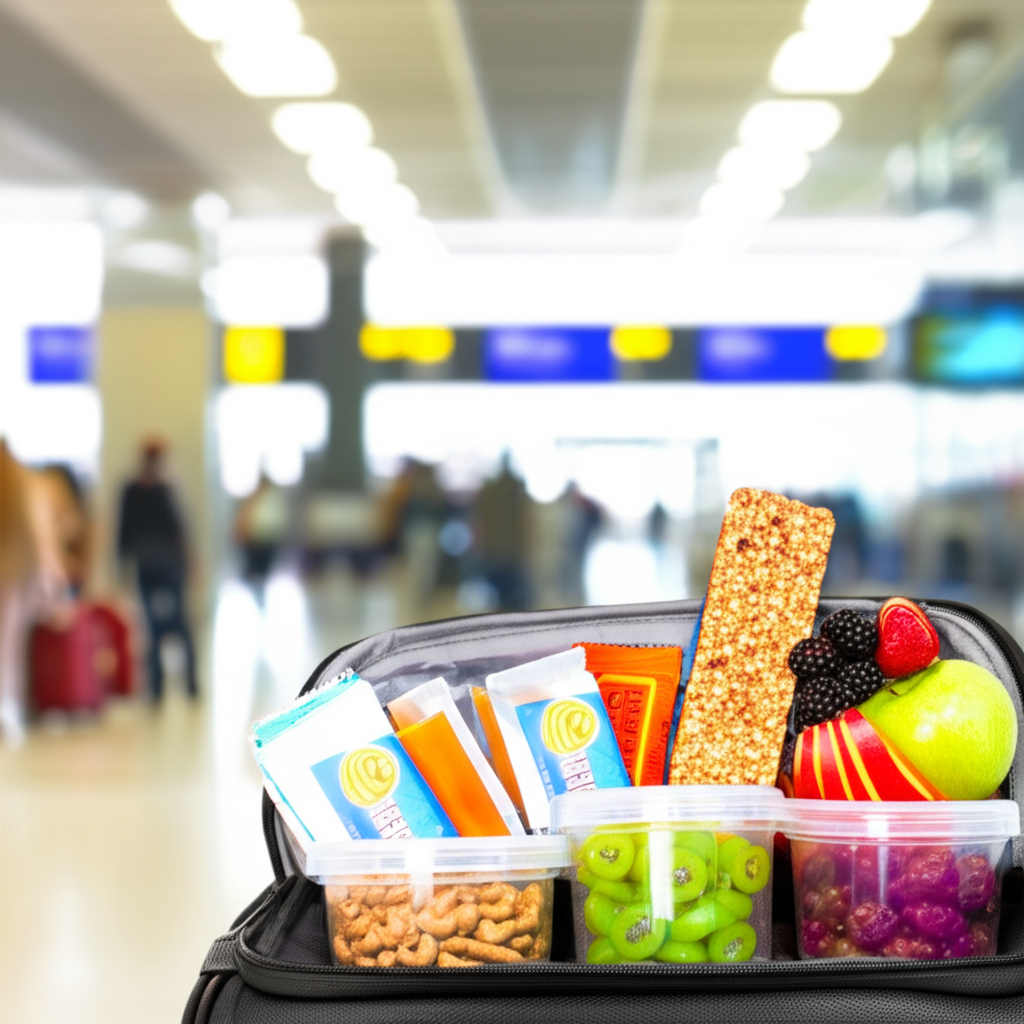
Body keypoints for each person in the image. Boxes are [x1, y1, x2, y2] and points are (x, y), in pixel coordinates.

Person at [117, 439, 197, 701]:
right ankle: (171, 685)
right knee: (166, 625)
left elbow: (125, 533)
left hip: (156, 564)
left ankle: (171, 686)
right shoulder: (155, 489)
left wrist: (121, 565)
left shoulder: (150, 488)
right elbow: (179, 530)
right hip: (159, 564)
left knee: (166, 625)